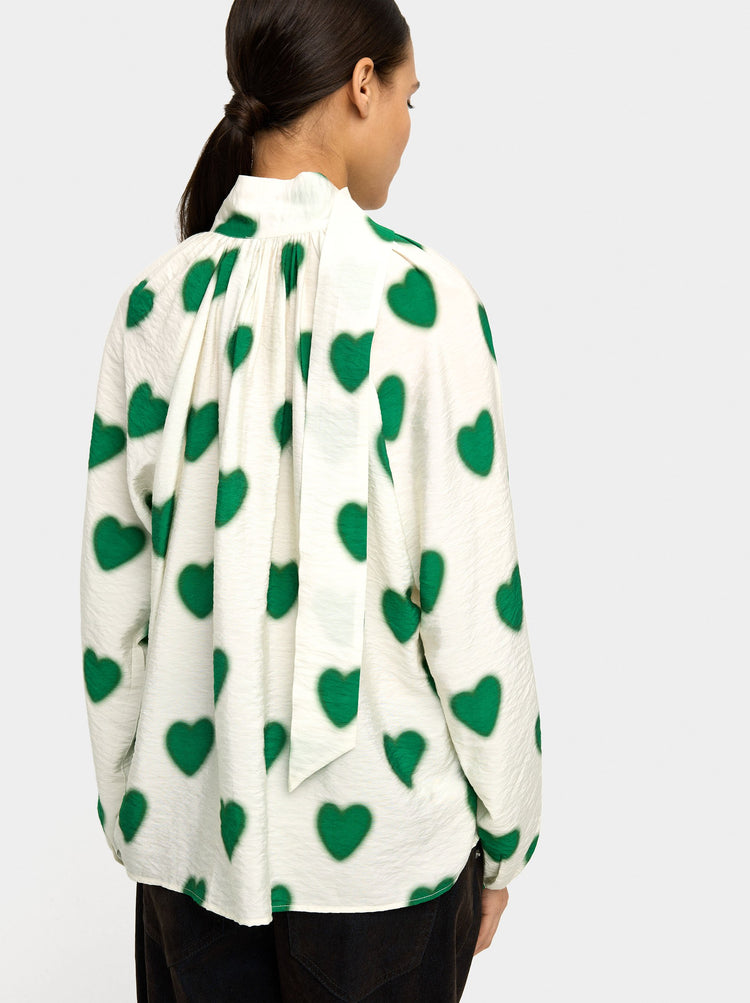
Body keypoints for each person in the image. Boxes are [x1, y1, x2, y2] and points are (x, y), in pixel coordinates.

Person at [79, 0, 543, 999]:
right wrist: (508, 833)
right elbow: (472, 605)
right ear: (362, 85)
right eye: (410, 97)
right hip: (386, 861)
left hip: (190, 842)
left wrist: (137, 805)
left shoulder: (156, 305)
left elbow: (114, 603)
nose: (410, 127)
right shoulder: (425, 304)